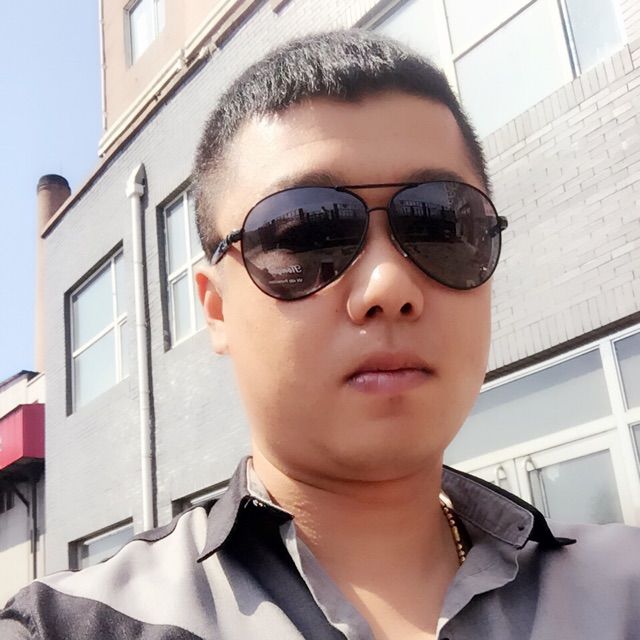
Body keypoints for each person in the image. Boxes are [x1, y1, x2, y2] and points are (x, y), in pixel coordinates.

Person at [2, 29, 639, 640]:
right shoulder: (78, 624)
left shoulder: (622, 594)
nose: (389, 284)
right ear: (216, 309)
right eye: (306, 234)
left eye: (441, 223)